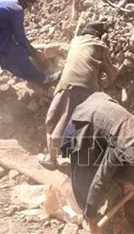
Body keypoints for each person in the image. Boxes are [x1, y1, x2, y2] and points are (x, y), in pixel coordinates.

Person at [61, 92, 134, 234]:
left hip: (102, 106)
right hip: (84, 118)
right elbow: (100, 181)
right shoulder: (123, 146)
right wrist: (91, 219)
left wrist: (128, 181)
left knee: (118, 162)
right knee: (82, 174)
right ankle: (85, 212)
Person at [40, 21, 119, 169]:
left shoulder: (75, 41)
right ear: (100, 36)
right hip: (87, 90)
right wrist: (117, 67)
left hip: (64, 86)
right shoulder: (101, 47)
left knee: (53, 119)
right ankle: (75, 161)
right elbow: (113, 74)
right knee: (72, 125)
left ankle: (52, 157)